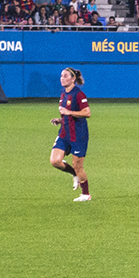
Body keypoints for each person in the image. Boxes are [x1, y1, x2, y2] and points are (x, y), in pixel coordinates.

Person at [49, 67, 92, 202]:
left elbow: (87, 113)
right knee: (55, 161)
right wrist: (61, 120)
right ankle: (74, 174)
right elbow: (67, 115)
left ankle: (86, 194)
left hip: (78, 135)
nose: (62, 78)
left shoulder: (79, 94)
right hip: (64, 133)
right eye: (61, 76)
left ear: (73, 79)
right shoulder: (63, 93)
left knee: (78, 165)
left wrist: (69, 113)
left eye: (66, 76)